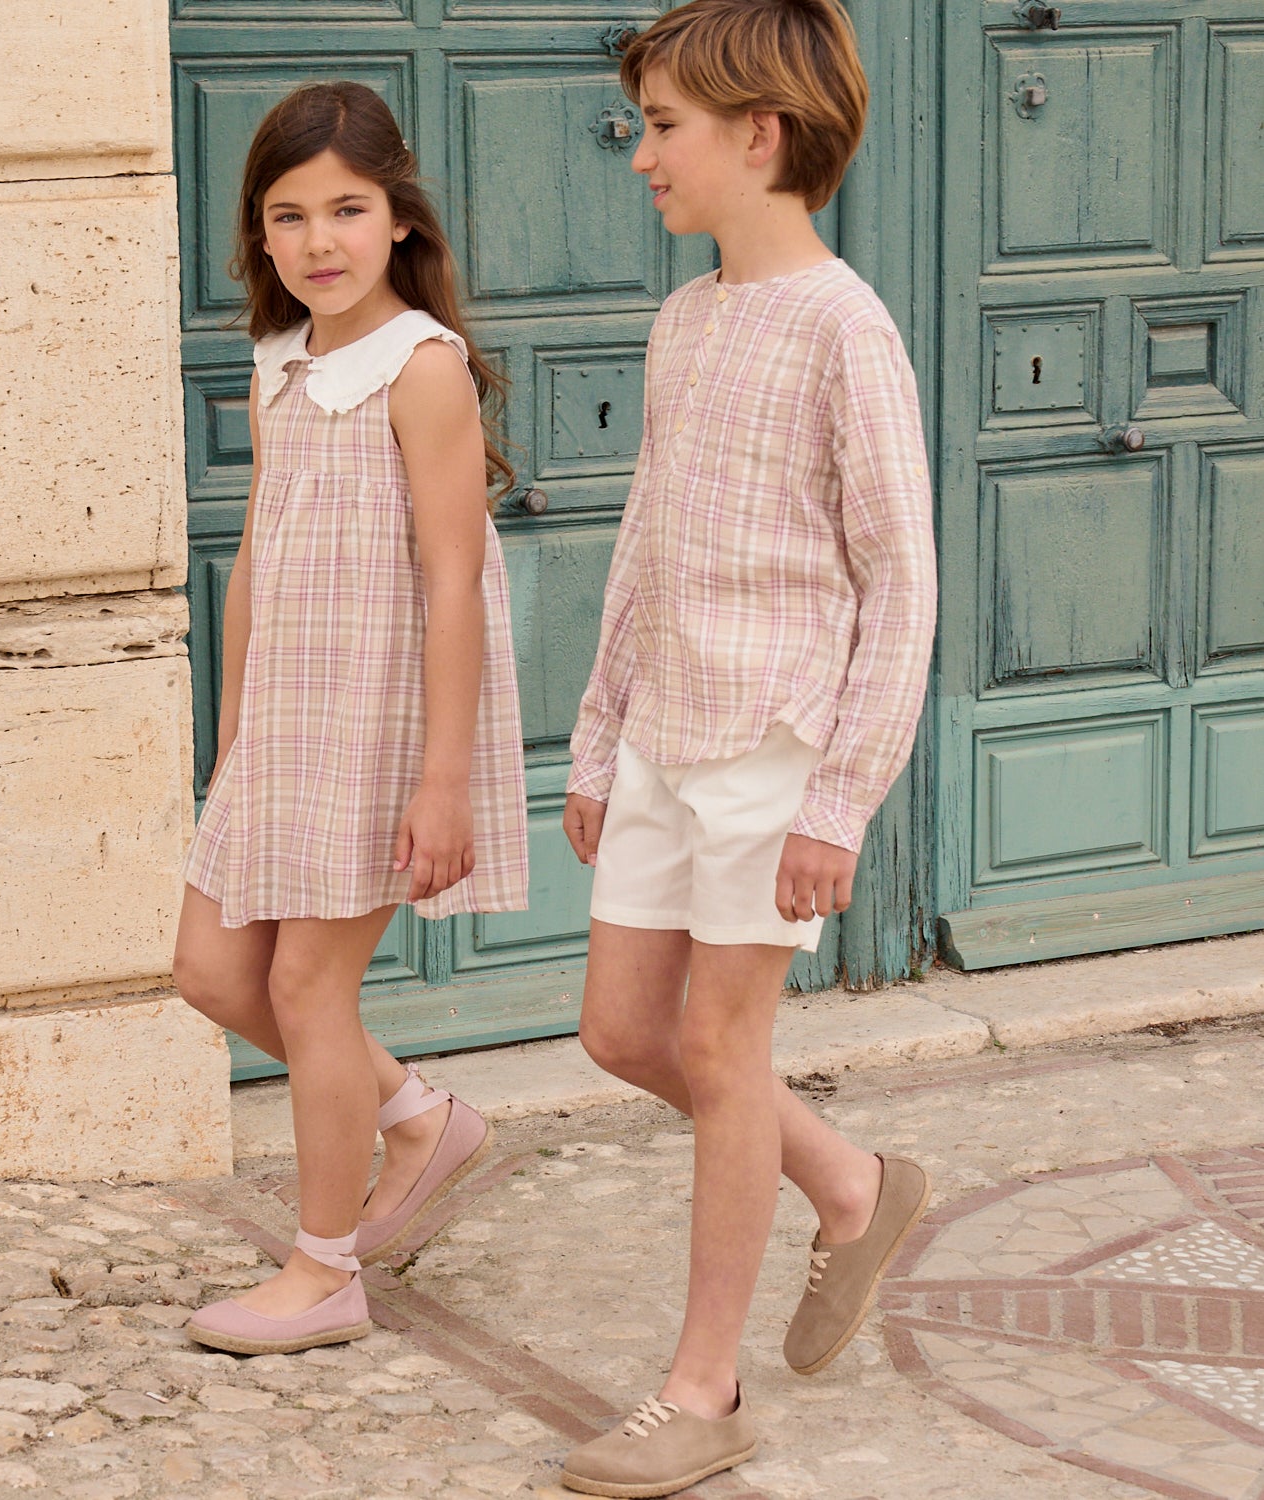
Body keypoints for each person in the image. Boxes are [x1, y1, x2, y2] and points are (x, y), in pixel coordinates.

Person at [557, 1, 938, 1492]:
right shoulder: (687, 317)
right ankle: (851, 1181)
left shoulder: (847, 329)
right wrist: (598, 742)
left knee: (721, 1049)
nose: (641, 153)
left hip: (779, 741)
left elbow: (900, 579)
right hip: (665, 734)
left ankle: (699, 1391)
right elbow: (645, 543)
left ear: (759, 136)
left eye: (664, 127)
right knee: (620, 1032)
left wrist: (840, 798)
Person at [171, 80, 528, 1357]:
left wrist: (443, 781)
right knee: (210, 967)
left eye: (347, 209)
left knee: (310, 986)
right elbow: (262, 551)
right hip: (286, 722)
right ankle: (422, 1117)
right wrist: (231, 736)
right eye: (289, 215)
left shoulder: (421, 369)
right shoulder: (281, 362)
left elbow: (451, 578)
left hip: (381, 725)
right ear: (259, 237)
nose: (319, 240)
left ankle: (324, 1273)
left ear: (397, 220)